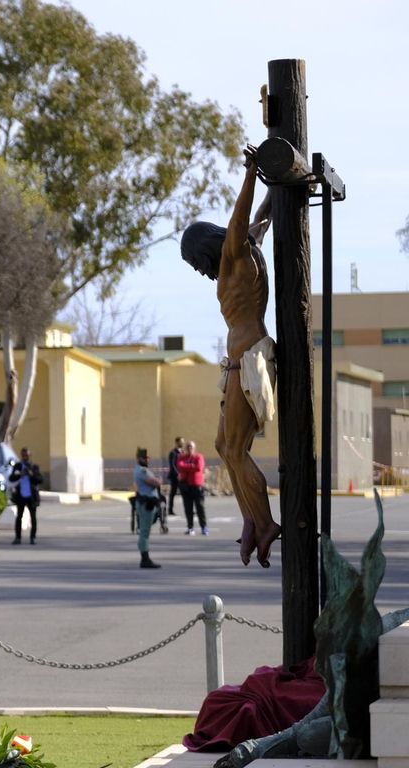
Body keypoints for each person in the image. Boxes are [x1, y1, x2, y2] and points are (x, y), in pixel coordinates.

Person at [181, 143, 278, 567]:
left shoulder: (234, 254)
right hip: (240, 361)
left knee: (236, 449)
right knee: (223, 445)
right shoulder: (247, 248)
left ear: (205, 248)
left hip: (250, 359)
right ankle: (250, 518)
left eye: (194, 262)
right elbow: (262, 218)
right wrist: (275, 185)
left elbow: (240, 218)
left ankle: (265, 522)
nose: (199, 270)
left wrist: (251, 173)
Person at [134, 448, 164, 569]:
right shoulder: (142, 471)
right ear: (138, 459)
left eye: (147, 458)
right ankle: (145, 559)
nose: (146, 460)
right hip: (147, 503)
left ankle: (145, 557)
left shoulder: (142, 470)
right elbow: (155, 482)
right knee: (145, 532)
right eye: (144, 458)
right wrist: (159, 480)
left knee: (144, 531)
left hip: (147, 503)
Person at [8, 448, 42, 545]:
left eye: (26, 455)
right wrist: (20, 475)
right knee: (19, 516)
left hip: (31, 496)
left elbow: (40, 480)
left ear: (30, 456)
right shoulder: (18, 466)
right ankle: (18, 537)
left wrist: (31, 475)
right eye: (23, 456)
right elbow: (11, 478)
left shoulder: (34, 467)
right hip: (21, 496)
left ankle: (32, 537)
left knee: (33, 517)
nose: (25, 457)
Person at [177, 439, 209, 536]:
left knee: (200, 508)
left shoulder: (199, 457)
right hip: (186, 486)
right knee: (188, 508)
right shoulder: (182, 457)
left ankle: (204, 527)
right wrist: (192, 466)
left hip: (197, 486)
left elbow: (199, 467)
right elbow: (180, 466)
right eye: (188, 446)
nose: (189, 448)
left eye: (191, 446)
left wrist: (187, 467)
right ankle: (190, 527)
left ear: (194, 448)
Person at [166, 436, 184, 518]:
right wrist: (178, 474)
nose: (182, 443)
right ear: (177, 443)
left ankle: (189, 509)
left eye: (183, 442)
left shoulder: (182, 452)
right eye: (181, 442)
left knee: (185, 493)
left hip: (182, 476)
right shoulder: (173, 453)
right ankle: (170, 510)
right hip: (174, 477)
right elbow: (172, 465)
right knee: (173, 493)